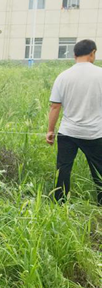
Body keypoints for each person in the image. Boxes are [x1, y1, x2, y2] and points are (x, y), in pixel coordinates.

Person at [46, 39, 102, 204]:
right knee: (99, 170)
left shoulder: (63, 76)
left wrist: (50, 131)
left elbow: (55, 107)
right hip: (95, 133)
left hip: (68, 132)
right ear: (92, 53)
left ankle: (60, 202)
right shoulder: (100, 74)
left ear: (74, 55)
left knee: (63, 169)